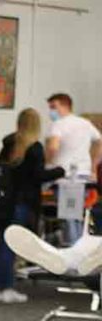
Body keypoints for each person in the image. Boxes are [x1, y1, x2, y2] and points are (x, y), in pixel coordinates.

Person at [0, 108, 65, 304]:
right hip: (25, 203)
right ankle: (6, 288)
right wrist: (60, 171)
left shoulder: (10, 145)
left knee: (5, 245)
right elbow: (37, 176)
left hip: (7, 201)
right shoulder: (35, 148)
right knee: (11, 247)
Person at [45, 93, 102, 243]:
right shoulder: (85, 123)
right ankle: (80, 247)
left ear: (65, 105)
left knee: (68, 217)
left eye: (53, 107)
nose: (51, 111)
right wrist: (94, 166)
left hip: (66, 179)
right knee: (78, 216)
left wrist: (48, 163)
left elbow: (52, 147)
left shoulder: (58, 125)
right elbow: (99, 141)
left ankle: (74, 251)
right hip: (84, 177)